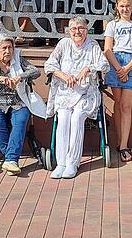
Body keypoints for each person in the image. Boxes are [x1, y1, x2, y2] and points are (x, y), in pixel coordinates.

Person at [44, 17, 109, 179]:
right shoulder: (63, 44)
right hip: (65, 92)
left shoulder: (92, 45)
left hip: (87, 93)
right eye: (73, 29)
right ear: (69, 31)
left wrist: (88, 68)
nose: (77, 32)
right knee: (64, 117)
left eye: (81, 28)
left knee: (77, 117)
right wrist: (63, 76)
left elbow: (104, 64)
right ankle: (61, 163)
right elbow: (49, 65)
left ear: (86, 30)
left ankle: (73, 162)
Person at [0, 34, 42, 175]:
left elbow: (35, 71)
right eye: (4, 48)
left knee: (22, 119)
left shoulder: (18, 58)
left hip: (17, 100)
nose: (7, 51)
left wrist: (20, 77)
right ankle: (11, 159)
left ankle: (10, 160)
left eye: (10, 47)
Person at [103, 0, 132, 162]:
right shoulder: (112, 25)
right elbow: (107, 48)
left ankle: (124, 145)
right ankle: (121, 143)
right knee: (118, 104)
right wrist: (118, 68)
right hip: (116, 61)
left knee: (127, 106)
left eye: (128, 5)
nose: (125, 9)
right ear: (117, 6)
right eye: (122, 6)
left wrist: (127, 69)